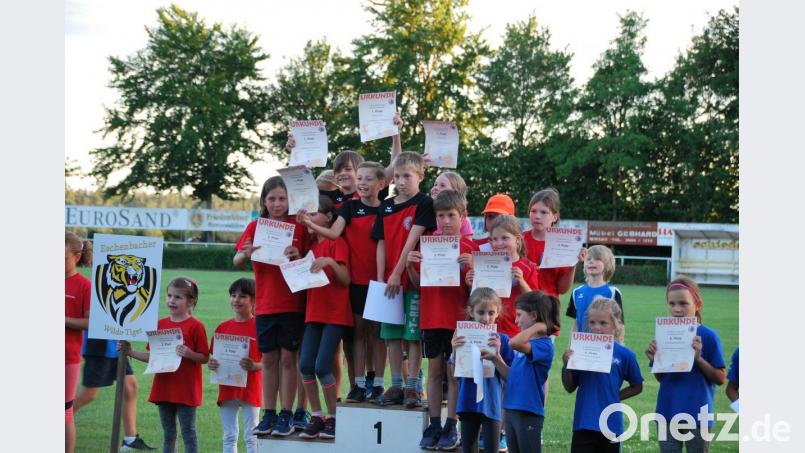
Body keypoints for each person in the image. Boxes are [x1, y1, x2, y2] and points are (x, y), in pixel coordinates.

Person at [300, 161, 389, 403]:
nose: (361, 183)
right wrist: (309, 223)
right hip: (356, 281)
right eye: (359, 178)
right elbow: (334, 233)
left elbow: (384, 244)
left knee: (378, 335)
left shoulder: (387, 208)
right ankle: (359, 384)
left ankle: (379, 383)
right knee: (359, 334)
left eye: (368, 179)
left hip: (380, 281)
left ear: (382, 184)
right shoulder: (350, 208)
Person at [233, 176, 310, 436]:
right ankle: (269, 414)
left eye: (281, 198)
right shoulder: (256, 226)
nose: (277, 203)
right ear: (264, 201)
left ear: (290, 200)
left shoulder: (298, 227)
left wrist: (298, 256)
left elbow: (310, 262)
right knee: (268, 360)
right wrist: (245, 252)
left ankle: (286, 414)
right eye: (271, 199)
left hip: (292, 304)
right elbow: (236, 260)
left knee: (289, 359)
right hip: (265, 305)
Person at [406, 189, 478, 450]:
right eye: (440, 216)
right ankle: (434, 422)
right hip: (432, 318)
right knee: (435, 372)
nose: (446, 221)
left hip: (458, 322)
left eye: (451, 215)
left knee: (456, 373)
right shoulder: (426, 245)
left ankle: (452, 424)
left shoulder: (471, 250)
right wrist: (409, 265)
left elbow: (478, 295)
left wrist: (472, 269)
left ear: (463, 217)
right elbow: (417, 285)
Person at [372, 150, 436, 407]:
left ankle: (412, 387)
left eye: (407, 176)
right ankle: (396, 385)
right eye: (397, 176)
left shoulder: (424, 204)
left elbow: (412, 240)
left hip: (411, 280)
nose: (400, 181)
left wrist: (398, 272)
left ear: (420, 175)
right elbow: (382, 243)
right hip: (388, 283)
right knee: (391, 336)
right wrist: (381, 278)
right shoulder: (386, 204)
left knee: (411, 336)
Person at [120, 278, 210, 453]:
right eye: (169, 296)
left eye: (177, 297)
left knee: (188, 432)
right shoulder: (160, 324)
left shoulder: (196, 326)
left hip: (186, 389)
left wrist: (189, 354)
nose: (171, 300)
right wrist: (130, 352)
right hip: (164, 387)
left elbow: (204, 358)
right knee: (169, 433)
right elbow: (153, 357)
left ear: (190, 301)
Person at [645, 276, 726, 452]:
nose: (677, 309)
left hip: (698, 415)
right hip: (667, 411)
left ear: (697, 304)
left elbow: (720, 378)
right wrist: (655, 359)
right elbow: (662, 378)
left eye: (683, 303)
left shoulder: (708, 336)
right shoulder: (664, 334)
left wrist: (698, 359)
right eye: (672, 303)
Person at [296, 196, 352, 440]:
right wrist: (293, 260)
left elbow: (345, 279)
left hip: (335, 315)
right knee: (305, 366)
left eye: (315, 213)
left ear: (329, 217)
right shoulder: (309, 248)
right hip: (314, 315)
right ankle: (317, 415)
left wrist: (329, 261)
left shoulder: (337, 243)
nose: (310, 218)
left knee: (321, 367)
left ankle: (334, 418)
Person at [561, 298, 643, 452]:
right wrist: (567, 364)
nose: (596, 328)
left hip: (610, 423)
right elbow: (569, 387)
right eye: (592, 323)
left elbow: (637, 386)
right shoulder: (579, 351)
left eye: (603, 323)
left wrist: (615, 397)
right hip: (584, 423)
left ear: (615, 324)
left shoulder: (625, 355)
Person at [453, 288, 515, 453]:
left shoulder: (502, 339)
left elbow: (511, 377)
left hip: (492, 404)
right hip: (468, 401)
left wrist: (497, 355)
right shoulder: (461, 336)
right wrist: (454, 349)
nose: (485, 318)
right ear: (470, 311)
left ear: (498, 313)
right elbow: (454, 374)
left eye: (490, 313)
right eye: (480, 312)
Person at [74, 333, 155, 451]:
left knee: (130, 387)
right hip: (98, 346)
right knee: (88, 394)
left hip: (116, 345)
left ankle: (130, 440)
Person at [208, 278, 263, 453]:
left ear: (254, 300)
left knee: (251, 434)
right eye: (233, 295)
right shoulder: (222, 327)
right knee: (229, 435)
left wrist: (255, 366)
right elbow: (214, 357)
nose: (236, 299)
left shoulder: (260, 327)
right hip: (227, 386)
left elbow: (270, 362)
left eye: (243, 296)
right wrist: (212, 364)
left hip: (251, 387)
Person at [502, 291, 561, 453]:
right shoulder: (526, 346)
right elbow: (511, 376)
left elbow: (513, 342)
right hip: (512, 409)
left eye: (519, 315)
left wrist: (538, 327)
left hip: (528, 411)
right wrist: (495, 360)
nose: (516, 320)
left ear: (534, 316)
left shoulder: (544, 345)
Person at [466, 215, 540, 338]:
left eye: (504, 238)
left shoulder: (528, 267)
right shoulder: (484, 263)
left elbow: (535, 302)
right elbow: (477, 299)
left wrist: (521, 281)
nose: (499, 243)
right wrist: (471, 284)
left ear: (517, 239)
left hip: (515, 332)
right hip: (486, 330)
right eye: (494, 239)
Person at [523, 188, 584, 297]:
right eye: (533, 211)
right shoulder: (518, 241)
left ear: (555, 217)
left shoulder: (563, 244)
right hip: (522, 307)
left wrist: (573, 263)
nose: (537, 216)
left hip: (549, 308)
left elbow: (561, 289)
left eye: (544, 212)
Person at [65, 231, 92, 453]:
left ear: (75, 256)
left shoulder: (84, 285)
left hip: (67, 357)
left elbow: (90, 322)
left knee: (64, 412)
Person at [566, 245, 624, 334]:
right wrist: (570, 346)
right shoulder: (576, 292)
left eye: (597, 259)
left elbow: (619, 325)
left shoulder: (613, 292)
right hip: (581, 345)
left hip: (603, 345)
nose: (591, 262)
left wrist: (617, 345)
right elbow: (576, 324)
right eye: (588, 259)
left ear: (607, 264)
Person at [429, 171, 473, 239]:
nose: (436, 188)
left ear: (455, 192)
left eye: (442, 185)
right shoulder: (425, 212)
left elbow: (469, 246)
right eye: (435, 185)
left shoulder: (464, 221)